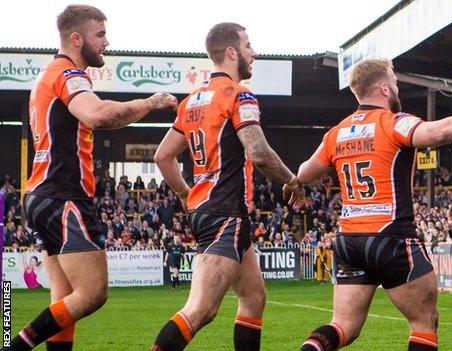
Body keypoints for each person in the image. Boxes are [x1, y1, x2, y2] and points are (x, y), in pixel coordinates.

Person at [289, 58, 452, 351]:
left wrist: (298, 186)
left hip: (348, 239)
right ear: (384, 88)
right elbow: (441, 132)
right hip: (390, 235)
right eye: (394, 80)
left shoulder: (336, 133)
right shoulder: (394, 122)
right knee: (424, 322)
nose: (396, 85)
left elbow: (304, 173)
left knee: (343, 326)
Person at [7, 5, 177, 351]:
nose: (106, 42)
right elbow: (97, 114)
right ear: (76, 38)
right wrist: (150, 102)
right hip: (63, 195)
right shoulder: (68, 73)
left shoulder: (45, 76)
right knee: (93, 293)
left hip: (41, 194)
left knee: (65, 299)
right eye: (100, 34)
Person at [150, 22, 304, 351]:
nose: (254, 52)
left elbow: (163, 156)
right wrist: (293, 181)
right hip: (225, 214)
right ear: (232, 52)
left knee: (254, 298)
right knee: (201, 310)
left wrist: (185, 194)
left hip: (211, 210)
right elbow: (259, 153)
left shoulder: (192, 100)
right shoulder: (238, 94)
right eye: (249, 45)